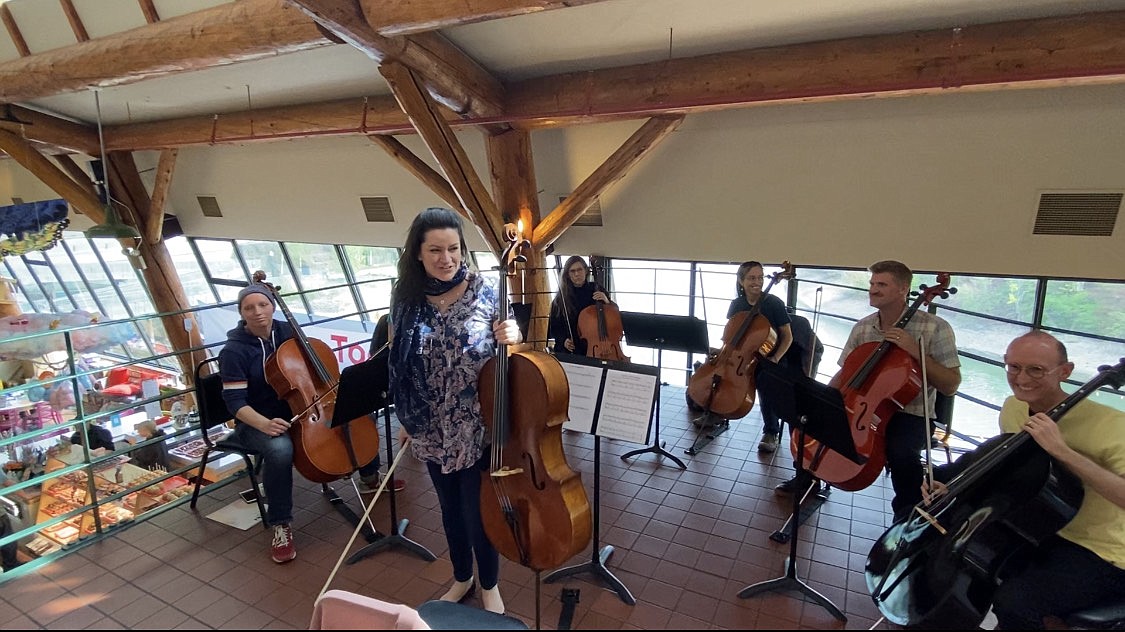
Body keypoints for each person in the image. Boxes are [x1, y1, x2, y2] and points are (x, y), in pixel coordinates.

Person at [922, 331, 1125, 629]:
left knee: (1015, 601)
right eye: (1014, 367)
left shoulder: (1114, 425)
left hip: (1103, 551)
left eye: (1036, 369)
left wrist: (1063, 451)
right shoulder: (1014, 407)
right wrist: (954, 488)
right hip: (1036, 527)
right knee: (950, 561)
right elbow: (1012, 473)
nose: (1022, 378)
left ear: (1065, 371)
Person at [388, 207, 522, 615]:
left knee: (478, 512)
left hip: (477, 425)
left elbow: (510, 350)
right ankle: (462, 576)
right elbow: (399, 361)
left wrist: (514, 335)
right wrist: (407, 418)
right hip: (430, 426)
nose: (446, 259)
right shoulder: (406, 297)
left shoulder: (487, 289)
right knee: (449, 511)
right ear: (418, 253)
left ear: (463, 248)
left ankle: (489, 584)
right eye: (435, 250)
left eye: (453, 248)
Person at [782, 260, 961, 521]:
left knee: (901, 452)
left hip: (911, 413)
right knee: (812, 421)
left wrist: (915, 350)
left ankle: (908, 513)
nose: (873, 289)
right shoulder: (863, 327)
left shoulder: (935, 327)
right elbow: (845, 373)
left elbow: (951, 384)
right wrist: (822, 400)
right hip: (861, 407)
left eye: (882, 284)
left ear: (903, 289)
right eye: (872, 283)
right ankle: (807, 477)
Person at [220, 283, 383, 563]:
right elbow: (235, 403)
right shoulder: (234, 352)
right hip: (258, 420)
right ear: (241, 313)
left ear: (273, 306)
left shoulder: (290, 332)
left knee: (358, 413)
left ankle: (370, 478)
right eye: (249, 307)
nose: (257, 312)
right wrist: (263, 423)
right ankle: (281, 524)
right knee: (280, 450)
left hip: (304, 409)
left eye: (263, 304)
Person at [725, 261, 794, 453]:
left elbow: (788, 336)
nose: (757, 282)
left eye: (760, 277)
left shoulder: (774, 303)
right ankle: (716, 413)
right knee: (722, 372)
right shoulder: (737, 305)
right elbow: (731, 334)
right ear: (741, 281)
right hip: (742, 356)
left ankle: (771, 431)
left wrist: (776, 358)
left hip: (771, 357)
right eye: (752, 278)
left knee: (765, 380)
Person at [548, 255, 611, 356]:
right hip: (571, 349)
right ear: (568, 275)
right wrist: (564, 340)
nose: (576, 274)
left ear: (586, 271)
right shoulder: (561, 298)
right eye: (572, 271)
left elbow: (612, 316)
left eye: (579, 270)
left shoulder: (597, 290)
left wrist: (606, 301)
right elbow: (554, 327)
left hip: (597, 346)